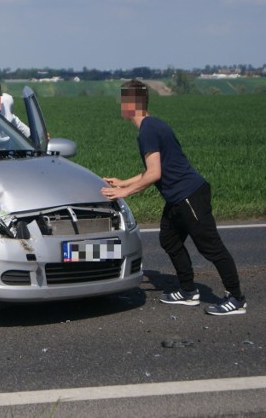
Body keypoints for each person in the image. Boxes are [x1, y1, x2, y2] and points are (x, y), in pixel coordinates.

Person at [100, 79, 246, 316]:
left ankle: (236, 298)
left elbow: (155, 174)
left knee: (211, 247)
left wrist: (125, 192)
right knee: (169, 239)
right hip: (178, 197)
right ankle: (188, 291)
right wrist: (124, 180)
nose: (120, 105)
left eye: (122, 100)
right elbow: (157, 167)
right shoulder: (153, 125)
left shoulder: (147, 130)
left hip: (189, 195)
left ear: (131, 104)